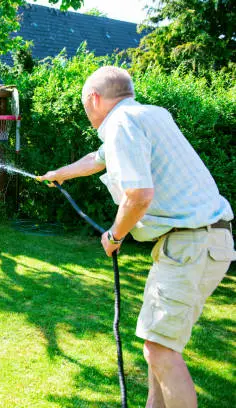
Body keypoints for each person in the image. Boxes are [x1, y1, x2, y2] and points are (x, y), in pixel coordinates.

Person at [38, 66, 234, 408]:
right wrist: (59, 175)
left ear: (94, 99)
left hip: (190, 245)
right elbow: (97, 159)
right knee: (162, 346)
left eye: (85, 103)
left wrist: (115, 235)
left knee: (159, 349)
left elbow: (139, 195)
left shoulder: (120, 125)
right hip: (205, 241)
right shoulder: (148, 115)